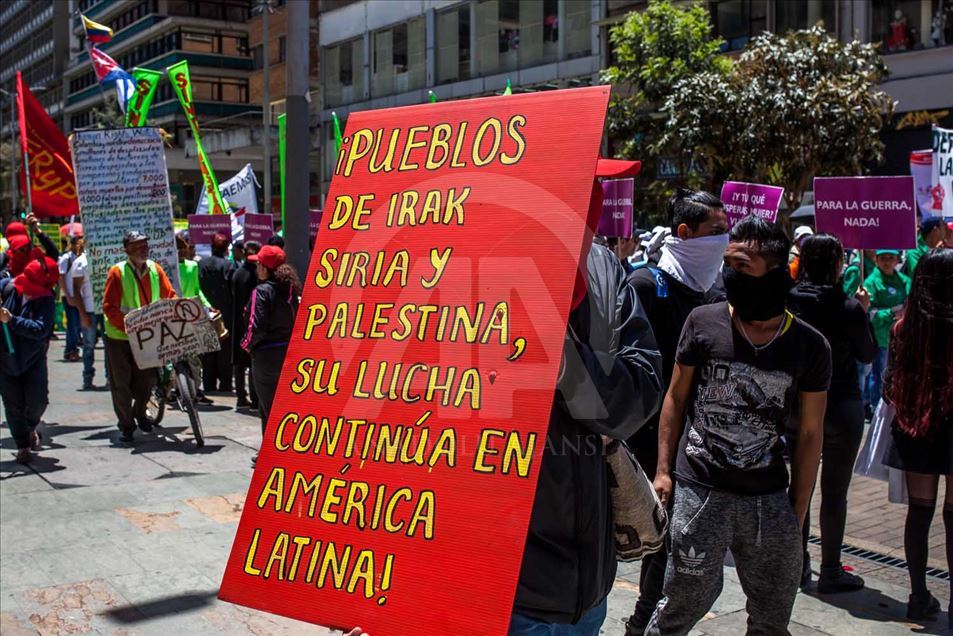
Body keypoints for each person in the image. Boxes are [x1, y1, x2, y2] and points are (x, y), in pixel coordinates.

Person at [647, 216, 831, 635]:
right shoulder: (702, 322)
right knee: (682, 604)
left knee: (772, 613)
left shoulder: (810, 345)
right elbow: (675, 397)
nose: (729, 273)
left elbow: (809, 434)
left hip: (767, 500)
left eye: (742, 265)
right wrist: (662, 471)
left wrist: (796, 512)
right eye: (727, 264)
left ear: (774, 270)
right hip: (700, 492)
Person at [511, 160, 663, 635]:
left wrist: (565, 363)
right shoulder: (458, 270)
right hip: (505, 585)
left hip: (590, 580)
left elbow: (641, 391)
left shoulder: (603, 269)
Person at [624, 189, 728, 636]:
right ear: (685, 233)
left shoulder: (717, 290)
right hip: (649, 437)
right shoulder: (647, 286)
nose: (724, 241)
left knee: (669, 542)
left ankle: (643, 621)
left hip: (698, 437)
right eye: (715, 232)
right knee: (648, 535)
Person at [787, 233, 878, 592]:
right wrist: (864, 313)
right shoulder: (848, 306)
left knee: (800, 488)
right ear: (837, 264)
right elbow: (868, 354)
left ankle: (797, 566)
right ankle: (830, 570)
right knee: (834, 492)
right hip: (841, 406)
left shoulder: (789, 300)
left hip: (797, 406)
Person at [882, 248, 953, 625]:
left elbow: (888, 387)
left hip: (915, 428)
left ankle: (917, 594)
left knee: (920, 512)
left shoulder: (903, 328)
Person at [102, 231, 176, 443]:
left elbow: (168, 295)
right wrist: (130, 326)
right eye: (137, 246)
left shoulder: (155, 269)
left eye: (145, 245)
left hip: (148, 337)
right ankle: (126, 424)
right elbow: (109, 307)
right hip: (120, 337)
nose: (144, 249)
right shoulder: (117, 272)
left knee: (146, 381)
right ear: (127, 250)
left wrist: (179, 307)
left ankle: (140, 413)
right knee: (121, 384)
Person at [241, 245, 299, 462]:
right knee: (283, 406)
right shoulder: (291, 291)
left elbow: (256, 327)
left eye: (258, 264)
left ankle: (271, 454)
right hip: (288, 355)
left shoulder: (262, 291)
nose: (256, 267)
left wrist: (246, 345)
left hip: (266, 357)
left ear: (266, 269)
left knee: (268, 408)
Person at [0, 256, 58, 463]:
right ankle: (22, 444)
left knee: (38, 401)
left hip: (32, 358)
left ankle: (31, 426)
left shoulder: (46, 301)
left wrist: (12, 320)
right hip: (5, 358)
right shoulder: (7, 288)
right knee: (12, 404)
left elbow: (40, 330)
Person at [863, 249, 910, 407]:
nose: (887, 261)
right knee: (880, 376)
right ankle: (876, 407)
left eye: (891, 258)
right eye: (883, 258)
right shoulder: (871, 282)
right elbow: (870, 315)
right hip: (881, 339)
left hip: (901, 337)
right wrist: (891, 312)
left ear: (898, 260)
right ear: (876, 259)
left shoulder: (904, 280)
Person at [177, 232, 213, 404]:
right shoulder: (165, 268)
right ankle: (172, 389)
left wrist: (207, 305)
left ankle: (196, 388)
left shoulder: (192, 266)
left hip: (192, 315)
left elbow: (197, 290)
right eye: (179, 249)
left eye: (184, 248)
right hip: (173, 316)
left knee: (195, 356)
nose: (182, 252)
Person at [68, 238, 106, 390]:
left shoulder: (104, 258)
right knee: (89, 346)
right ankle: (88, 378)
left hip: (105, 310)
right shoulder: (80, 262)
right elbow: (76, 290)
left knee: (109, 347)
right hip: (89, 310)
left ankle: (110, 378)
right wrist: (82, 314)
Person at [198, 233, 234, 393]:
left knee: (208, 349)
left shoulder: (202, 265)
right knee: (224, 351)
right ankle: (225, 384)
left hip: (206, 312)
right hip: (225, 314)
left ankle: (209, 384)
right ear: (226, 249)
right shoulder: (229, 266)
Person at [231, 240, 260, 409]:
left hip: (237, 322)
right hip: (250, 323)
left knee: (240, 363)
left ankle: (241, 396)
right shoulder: (255, 276)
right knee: (252, 362)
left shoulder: (236, 273)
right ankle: (255, 400)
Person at [58, 234, 84, 362]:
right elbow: (61, 278)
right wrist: (68, 296)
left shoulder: (81, 258)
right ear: (72, 244)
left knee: (77, 325)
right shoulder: (66, 258)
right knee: (72, 325)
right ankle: (70, 350)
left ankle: (73, 349)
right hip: (69, 297)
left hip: (79, 296)